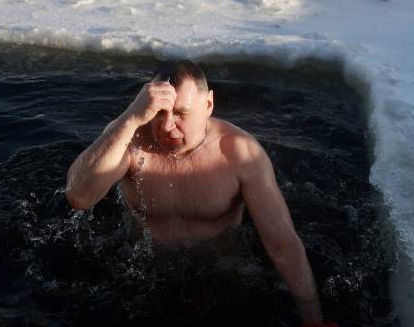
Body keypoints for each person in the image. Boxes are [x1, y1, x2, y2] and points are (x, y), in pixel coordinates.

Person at [65, 59, 336, 327]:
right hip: (144, 279)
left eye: (181, 114)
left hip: (222, 278)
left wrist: (313, 318)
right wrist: (130, 118)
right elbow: (79, 197)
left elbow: (282, 244)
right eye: (159, 113)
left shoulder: (239, 153)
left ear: (208, 105)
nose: (167, 126)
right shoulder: (129, 138)